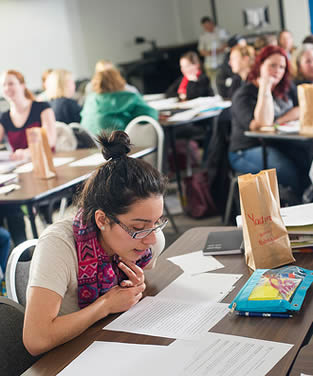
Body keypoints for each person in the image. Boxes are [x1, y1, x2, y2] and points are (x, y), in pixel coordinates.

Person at [23, 130, 167, 355]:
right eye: (138, 228)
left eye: (157, 222)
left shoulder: (150, 240)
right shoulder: (59, 247)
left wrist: (133, 286)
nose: (152, 238)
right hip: (65, 357)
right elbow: (36, 339)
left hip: (108, 345)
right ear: (102, 219)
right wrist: (106, 305)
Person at [229, 45, 311, 199]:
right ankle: (297, 206)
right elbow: (262, 123)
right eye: (272, 65)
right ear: (260, 65)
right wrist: (265, 86)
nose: (277, 71)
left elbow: (302, 108)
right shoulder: (244, 94)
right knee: (287, 172)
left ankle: (304, 202)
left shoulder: (285, 88)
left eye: (282, 67)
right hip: (246, 149)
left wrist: (278, 120)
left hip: (277, 143)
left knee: (306, 161)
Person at [80, 67, 158, 135]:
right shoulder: (129, 97)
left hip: (93, 147)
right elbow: (150, 116)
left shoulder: (90, 99)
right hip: (119, 146)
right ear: (119, 80)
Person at [0, 70, 56, 161]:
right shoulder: (4, 117)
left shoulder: (42, 107)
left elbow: (50, 141)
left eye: (11, 84)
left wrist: (27, 153)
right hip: (20, 167)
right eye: (3, 85)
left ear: (23, 85)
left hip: (47, 163)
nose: (7, 88)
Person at [198, 16, 228, 85]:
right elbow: (201, 50)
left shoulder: (221, 31)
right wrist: (210, 52)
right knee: (212, 83)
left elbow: (227, 44)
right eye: (205, 27)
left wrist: (218, 51)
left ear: (211, 23)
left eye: (208, 25)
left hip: (221, 61)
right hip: (209, 64)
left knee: (222, 82)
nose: (207, 28)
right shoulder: (203, 36)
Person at [216, 34, 247, 99]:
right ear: (233, 48)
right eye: (241, 47)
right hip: (228, 91)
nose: (245, 49)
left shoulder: (245, 56)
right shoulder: (228, 59)